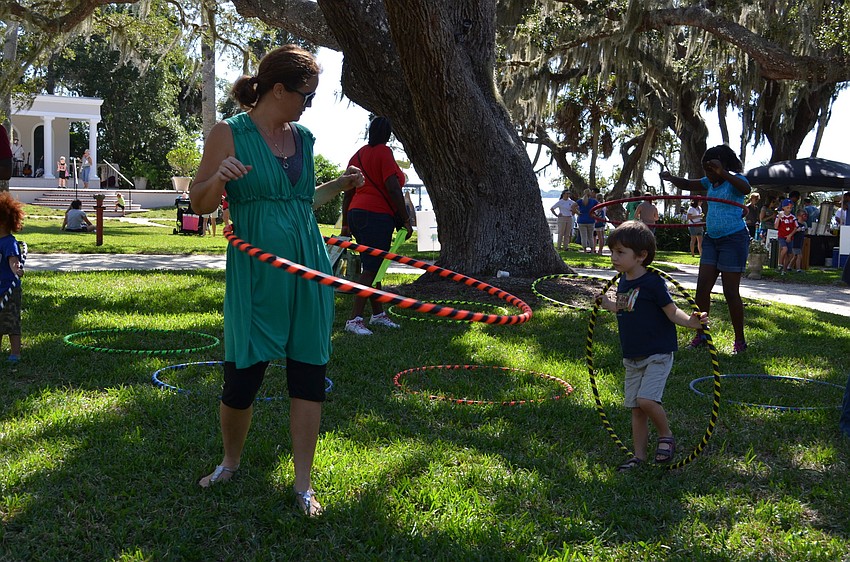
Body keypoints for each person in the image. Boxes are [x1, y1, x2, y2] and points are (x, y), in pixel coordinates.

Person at [188, 45, 363, 517]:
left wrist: (341, 186)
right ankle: (230, 462)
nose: (310, 105)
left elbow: (299, 200)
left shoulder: (303, 137)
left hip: (308, 265)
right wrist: (218, 180)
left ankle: (303, 484)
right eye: (306, 95)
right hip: (258, 268)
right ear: (279, 89)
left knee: (309, 371)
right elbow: (199, 203)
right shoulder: (229, 132)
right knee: (243, 374)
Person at [597, 221, 707, 471]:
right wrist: (609, 304)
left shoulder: (653, 282)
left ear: (641, 256)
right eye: (612, 251)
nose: (613, 257)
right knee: (636, 409)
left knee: (646, 400)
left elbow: (672, 312)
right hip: (632, 355)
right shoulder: (624, 281)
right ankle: (639, 456)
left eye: (620, 252)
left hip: (657, 352)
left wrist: (692, 323)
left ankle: (666, 435)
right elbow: (624, 307)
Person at [660, 145, 751, 354]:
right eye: (707, 168)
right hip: (712, 239)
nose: (708, 173)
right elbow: (688, 183)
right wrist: (671, 178)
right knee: (702, 289)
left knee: (730, 291)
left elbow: (746, 190)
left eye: (712, 168)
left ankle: (740, 340)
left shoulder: (735, 180)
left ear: (723, 164)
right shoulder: (708, 182)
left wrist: (723, 173)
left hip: (733, 239)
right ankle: (701, 333)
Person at [340, 116, 411, 336]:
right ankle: (354, 319)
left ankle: (378, 314)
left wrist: (345, 225)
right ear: (388, 134)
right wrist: (406, 219)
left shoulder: (358, 154)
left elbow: (347, 191)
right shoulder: (383, 152)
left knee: (372, 264)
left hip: (357, 214)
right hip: (376, 216)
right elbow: (392, 187)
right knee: (371, 268)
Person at [0, 192, 25, 366]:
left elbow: (13, 261)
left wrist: (17, 269)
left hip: (9, 287)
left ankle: (15, 353)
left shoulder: (9, 242)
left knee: (11, 321)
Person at [774, 198, 797, 275]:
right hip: (782, 236)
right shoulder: (779, 216)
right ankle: (780, 264)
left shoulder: (793, 217)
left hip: (790, 237)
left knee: (789, 254)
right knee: (784, 249)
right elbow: (776, 227)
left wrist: (790, 235)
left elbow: (795, 228)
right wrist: (779, 219)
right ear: (783, 207)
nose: (789, 209)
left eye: (790, 208)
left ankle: (784, 269)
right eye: (787, 208)